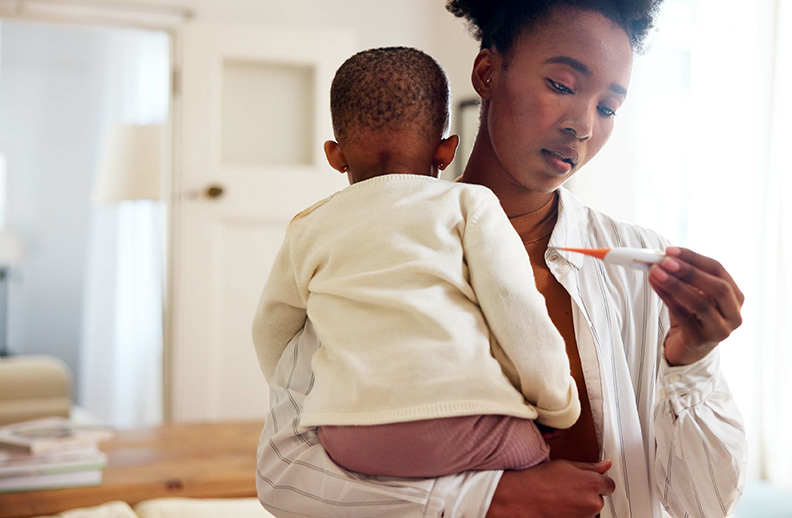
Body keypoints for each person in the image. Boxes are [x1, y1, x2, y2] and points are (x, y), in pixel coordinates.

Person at [255, 1, 748, 517]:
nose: (582, 126)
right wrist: (483, 501)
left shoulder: (636, 274)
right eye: (561, 85)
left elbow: (703, 502)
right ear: (488, 73)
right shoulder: (369, 246)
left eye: (607, 109)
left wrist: (694, 361)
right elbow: (285, 472)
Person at [252, 47, 580, 479]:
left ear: (335, 155)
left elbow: (271, 330)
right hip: (462, 421)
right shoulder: (470, 204)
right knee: (543, 472)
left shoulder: (309, 226)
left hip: (349, 438)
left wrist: (318, 394)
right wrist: (557, 406)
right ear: (446, 151)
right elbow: (517, 310)